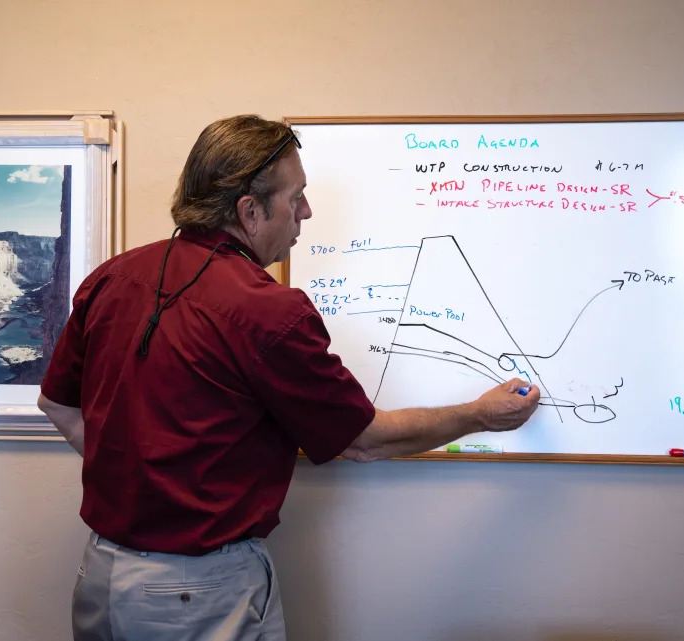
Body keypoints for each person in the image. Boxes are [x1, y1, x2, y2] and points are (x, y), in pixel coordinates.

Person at [37, 114, 540, 641]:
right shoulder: (266, 311)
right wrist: (479, 414)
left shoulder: (112, 278)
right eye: (295, 196)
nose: (306, 211)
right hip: (196, 597)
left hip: (101, 576)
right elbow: (364, 442)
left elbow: (58, 404)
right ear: (250, 212)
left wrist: (142, 477)